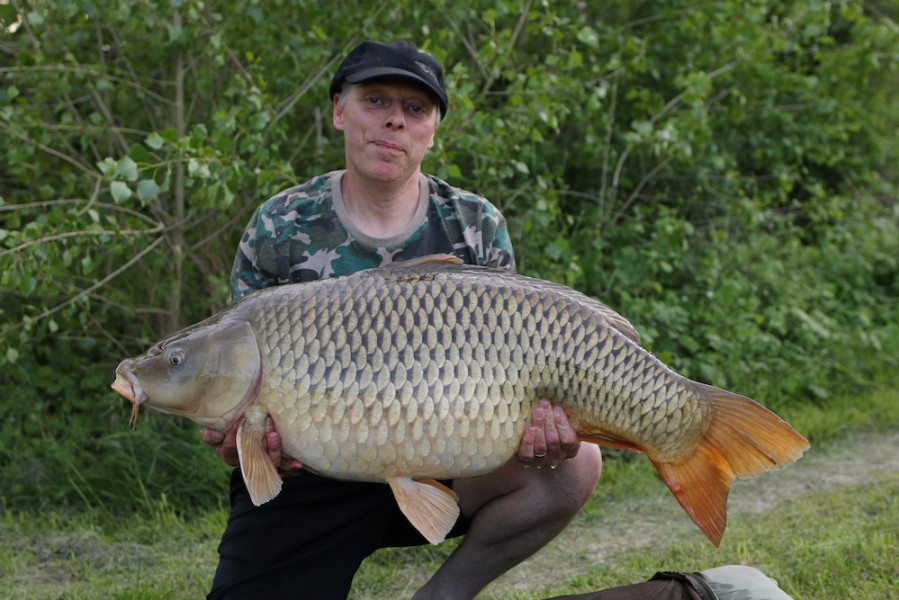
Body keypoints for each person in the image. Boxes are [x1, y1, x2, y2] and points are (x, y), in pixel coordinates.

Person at [200, 40, 603, 600]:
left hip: (444, 456)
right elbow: (240, 390)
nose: (394, 120)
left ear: (433, 131)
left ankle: (444, 595)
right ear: (339, 109)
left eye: (415, 109)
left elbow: (512, 370)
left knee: (576, 464)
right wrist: (243, 440)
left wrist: (540, 427)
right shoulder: (280, 224)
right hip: (308, 478)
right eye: (376, 100)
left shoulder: (473, 224)